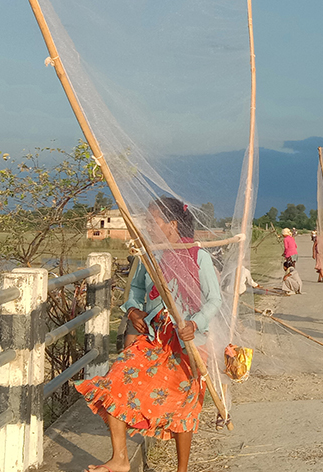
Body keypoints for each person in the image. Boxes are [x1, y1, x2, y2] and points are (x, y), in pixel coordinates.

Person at [75, 196, 222, 472]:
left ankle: (182, 469)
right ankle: (119, 459)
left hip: (186, 343)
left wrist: (194, 323)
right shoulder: (149, 256)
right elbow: (137, 293)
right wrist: (132, 311)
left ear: (172, 225)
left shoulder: (198, 256)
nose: (147, 227)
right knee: (115, 382)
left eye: (152, 222)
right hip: (154, 339)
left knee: (183, 403)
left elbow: (215, 300)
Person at [280, 228, 302, 295]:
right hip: (295, 254)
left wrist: (285, 254)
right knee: (293, 268)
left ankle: (290, 286)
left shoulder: (286, 239)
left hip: (290, 254)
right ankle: (293, 282)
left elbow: (286, 248)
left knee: (289, 269)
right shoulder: (292, 238)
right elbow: (295, 246)